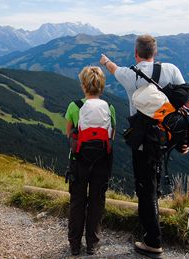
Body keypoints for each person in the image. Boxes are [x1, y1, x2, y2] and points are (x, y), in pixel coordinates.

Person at [99, 34, 189, 256]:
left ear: (136, 52)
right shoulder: (171, 69)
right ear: (155, 52)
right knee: (153, 180)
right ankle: (153, 218)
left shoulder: (129, 74)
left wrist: (104, 61)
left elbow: (113, 68)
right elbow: (187, 102)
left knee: (145, 189)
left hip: (144, 143)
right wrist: (187, 136)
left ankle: (153, 241)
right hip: (168, 138)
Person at [65, 66, 116, 256]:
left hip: (78, 161)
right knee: (97, 201)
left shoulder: (74, 106)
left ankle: (74, 245)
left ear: (83, 85)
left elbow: (69, 134)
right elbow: (112, 136)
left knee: (77, 201)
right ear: (102, 86)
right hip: (102, 161)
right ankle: (92, 244)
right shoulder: (109, 107)